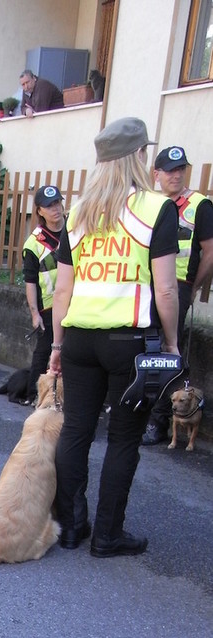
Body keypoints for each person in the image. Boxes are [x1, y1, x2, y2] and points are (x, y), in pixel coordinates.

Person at [48, 117, 179, 558]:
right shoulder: (156, 209)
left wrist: (57, 345)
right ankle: (107, 534)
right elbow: (164, 288)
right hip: (131, 343)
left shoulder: (79, 214)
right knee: (123, 438)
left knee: (76, 432)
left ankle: (69, 526)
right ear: (139, 156)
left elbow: (62, 290)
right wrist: (173, 343)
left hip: (81, 338)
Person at [142, 146, 213, 445]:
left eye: (181, 169)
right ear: (156, 174)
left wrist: (192, 285)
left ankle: (158, 422)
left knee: (168, 357)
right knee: (144, 351)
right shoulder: (150, 204)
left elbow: (210, 251)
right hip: (146, 286)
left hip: (178, 286)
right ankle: (139, 412)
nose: (176, 174)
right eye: (170, 170)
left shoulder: (199, 205)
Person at [22, 184, 65, 403]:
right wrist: (34, 314)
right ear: (39, 211)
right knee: (44, 350)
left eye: (57, 203)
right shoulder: (34, 243)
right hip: (48, 305)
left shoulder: (74, 231)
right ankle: (33, 393)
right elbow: (30, 281)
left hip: (75, 302)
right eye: (49, 206)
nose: (55, 209)